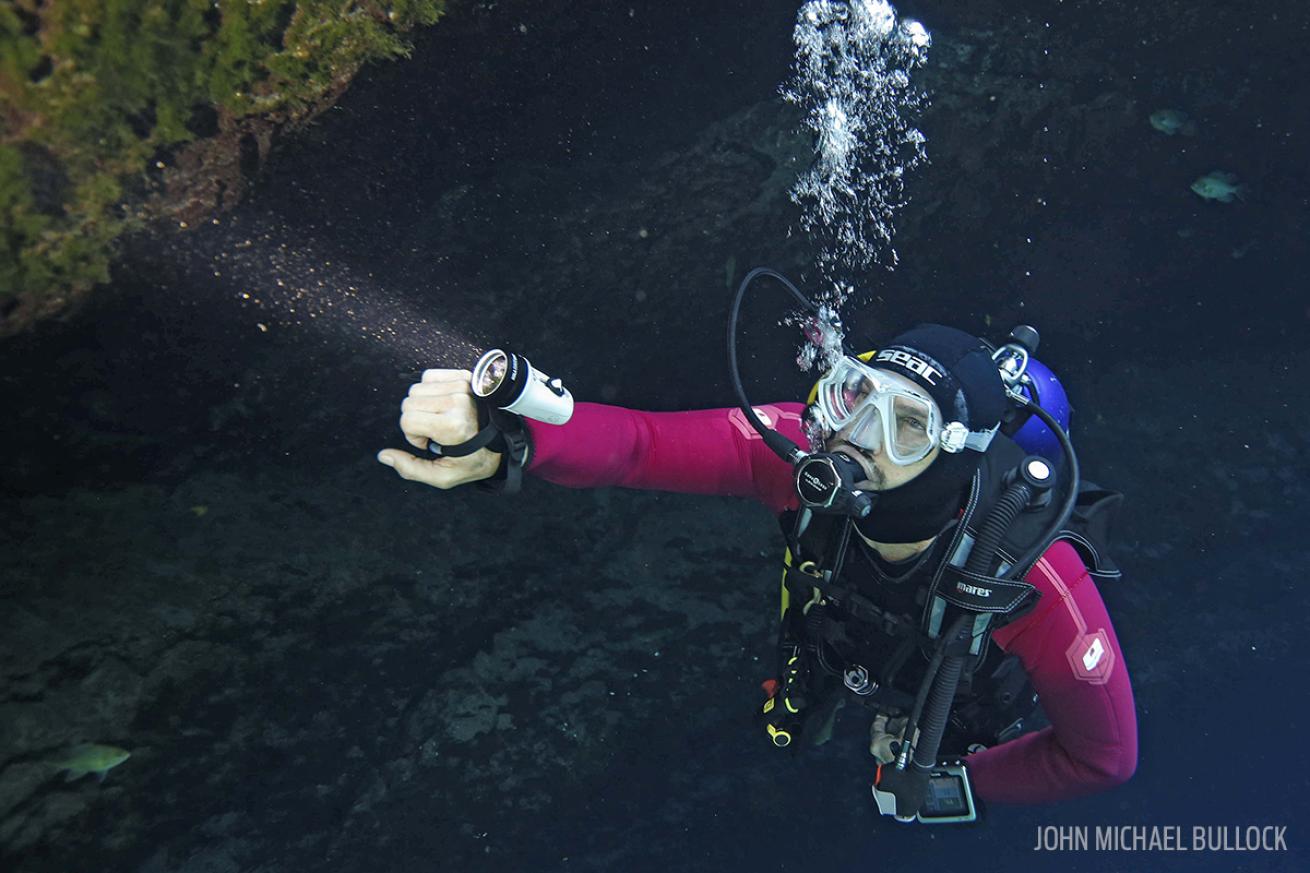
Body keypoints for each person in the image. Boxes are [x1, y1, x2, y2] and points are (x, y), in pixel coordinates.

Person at [377, 324, 1138, 815]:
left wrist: (957, 784)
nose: (856, 437)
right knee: (789, 727)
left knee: (918, 757)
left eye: (908, 426)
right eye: (857, 396)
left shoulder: (1037, 580)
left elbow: (1103, 757)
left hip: (952, 691)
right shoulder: (799, 446)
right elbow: (640, 443)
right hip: (838, 632)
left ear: (959, 455)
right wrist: (513, 442)